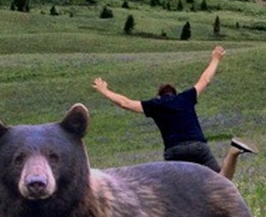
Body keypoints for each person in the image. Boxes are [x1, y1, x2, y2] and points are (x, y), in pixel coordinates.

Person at [92, 45, 255, 180]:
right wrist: (216, 58)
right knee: (221, 181)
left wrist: (104, 91)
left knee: (176, 193)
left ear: (159, 96)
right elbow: (205, 80)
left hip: (174, 151)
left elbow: (125, 103)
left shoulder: (155, 105)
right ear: (175, 93)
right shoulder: (186, 98)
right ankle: (233, 152)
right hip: (197, 147)